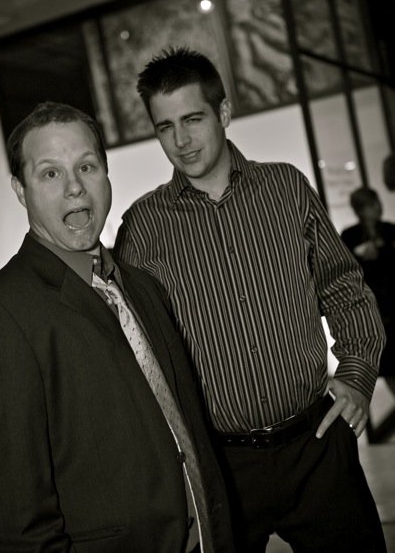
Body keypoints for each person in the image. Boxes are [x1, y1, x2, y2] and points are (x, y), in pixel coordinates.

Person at [113, 47, 387, 552]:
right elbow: (136, 348)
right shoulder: (143, 227)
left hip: (317, 447)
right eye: (165, 127)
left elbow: (344, 288)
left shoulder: (286, 188)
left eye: (193, 119)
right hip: (223, 468)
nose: (181, 141)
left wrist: (356, 376)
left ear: (223, 112)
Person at [0, 101, 235, 553]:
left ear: (106, 174)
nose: (74, 187)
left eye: (86, 166)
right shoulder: (4, 311)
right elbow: (16, 519)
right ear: (21, 190)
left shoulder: (141, 287)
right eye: (50, 173)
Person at [341, 187, 395, 395]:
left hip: (392, 301)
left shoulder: (389, 229)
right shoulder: (350, 235)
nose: (378, 207)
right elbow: (344, 271)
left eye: (377, 202)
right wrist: (360, 255)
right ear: (361, 210)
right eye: (371, 205)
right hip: (374, 309)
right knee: (388, 364)